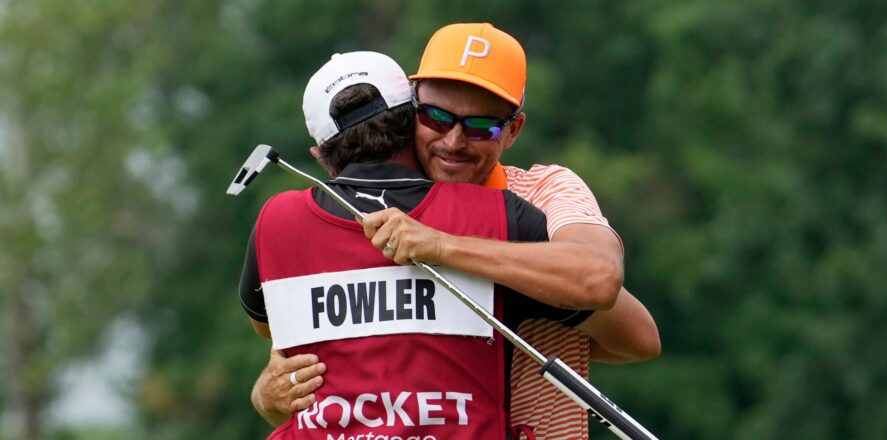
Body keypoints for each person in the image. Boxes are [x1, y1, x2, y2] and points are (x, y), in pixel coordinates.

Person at [249, 24, 661, 439]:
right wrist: (268, 394)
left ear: (514, 130)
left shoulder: (543, 191)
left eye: (482, 126)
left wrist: (443, 246)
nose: (454, 141)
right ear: (410, 112)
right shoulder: (368, 218)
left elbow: (614, 301)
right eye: (437, 117)